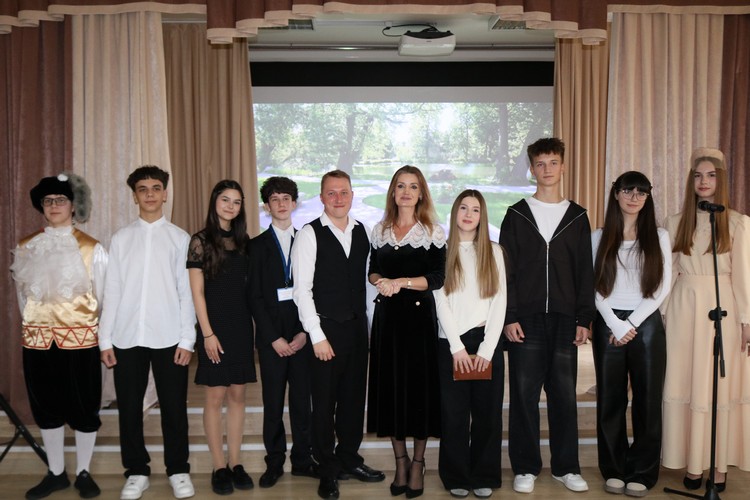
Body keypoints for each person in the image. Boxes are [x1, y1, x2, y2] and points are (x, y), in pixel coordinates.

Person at [499, 137, 595, 494]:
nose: (547, 169)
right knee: (524, 396)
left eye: (553, 162)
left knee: (563, 396)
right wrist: (509, 316)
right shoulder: (516, 214)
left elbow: (585, 271)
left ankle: (566, 467)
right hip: (525, 319)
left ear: (563, 167)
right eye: (540, 163)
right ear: (532, 169)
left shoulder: (577, 216)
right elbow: (505, 271)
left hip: (565, 319)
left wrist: (584, 318)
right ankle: (525, 467)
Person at [99, 165, 196, 500]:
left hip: (170, 337)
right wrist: (104, 339)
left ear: (165, 194)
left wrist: (187, 339)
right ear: (135, 196)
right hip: (126, 337)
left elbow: (186, 292)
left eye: (156, 188)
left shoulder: (180, 238)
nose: (150, 194)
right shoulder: (121, 238)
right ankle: (136, 470)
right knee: (128, 407)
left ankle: (178, 469)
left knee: (174, 407)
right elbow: (112, 291)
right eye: (143, 189)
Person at [11, 173, 107, 500]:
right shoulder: (26, 246)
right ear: (41, 206)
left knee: (83, 406)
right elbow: (22, 297)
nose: (54, 205)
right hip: (37, 342)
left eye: (61, 199)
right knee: (46, 407)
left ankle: (83, 472)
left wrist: (88, 330)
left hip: (80, 342)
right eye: (48, 200)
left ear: (73, 205)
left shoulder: (92, 248)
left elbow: (104, 297)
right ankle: (55, 473)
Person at [292, 170, 385, 499]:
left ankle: (349, 459)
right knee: (324, 405)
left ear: (352, 195)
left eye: (343, 192)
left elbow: (366, 284)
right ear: (321, 198)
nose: (338, 198)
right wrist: (316, 335)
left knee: (352, 401)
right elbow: (301, 290)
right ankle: (327, 469)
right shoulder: (309, 234)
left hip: (357, 330)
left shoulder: (363, 231)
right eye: (331, 193)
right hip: (325, 332)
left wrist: (370, 329)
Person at [662, 148, 750, 492]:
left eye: (711, 175)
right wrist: (662, 313)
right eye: (698, 175)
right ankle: (692, 462)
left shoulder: (738, 223)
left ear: (721, 180)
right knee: (685, 380)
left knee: (716, 384)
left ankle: (718, 466)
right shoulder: (674, 222)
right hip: (684, 308)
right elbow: (668, 274)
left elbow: (743, 277)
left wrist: (746, 320)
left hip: (722, 308)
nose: (703, 181)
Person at [367, 165, 446, 498]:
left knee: (418, 394)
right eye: (401, 185)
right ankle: (400, 462)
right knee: (391, 392)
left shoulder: (433, 232)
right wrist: (381, 281)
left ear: (421, 193)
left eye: (413, 186)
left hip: (419, 323)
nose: (406, 192)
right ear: (393, 191)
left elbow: (438, 278)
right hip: (387, 322)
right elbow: (373, 270)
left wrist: (402, 282)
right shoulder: (380, 230)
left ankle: (417, 463)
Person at [591, 172, 671, 496]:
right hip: (608, 322)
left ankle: (642, 471)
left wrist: (631, 323)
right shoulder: (598, 236)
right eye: (628, 190)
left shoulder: (659, 235)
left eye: (641, 192)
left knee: (647, 400)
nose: (634, 197)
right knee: (610, 399)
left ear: (648, 197)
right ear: (616, 194)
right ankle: (613, 468)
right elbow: (593, 284)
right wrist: (615, 323)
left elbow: (662, 285)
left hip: (646, 323)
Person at [433, 190, 506, 499]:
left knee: (488, 414)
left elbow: (500, 301)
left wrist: (487, 350)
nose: (468, 214)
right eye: (463, 208)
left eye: (475, 210)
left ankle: (484, 474)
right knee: (454, 415)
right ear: (455, 212)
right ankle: (456, 476)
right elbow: (440, 302)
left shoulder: (494, 251)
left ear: (482, 216)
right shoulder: (440, 251)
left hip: (486, 340)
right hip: (452, 343)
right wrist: (457, 348)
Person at [187, 180, 255, 495]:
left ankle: (236, 462)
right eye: (225, 199)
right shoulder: (199, 241)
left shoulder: (245, 242)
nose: (230, 206)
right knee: (214, 398)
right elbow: (197, 293)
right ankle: (218, 466)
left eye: (236, 202)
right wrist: (207, 334)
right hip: (213, 329)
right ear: (215, 201)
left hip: (241, 328)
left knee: (238, 396)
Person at [250, 177, 316, 488]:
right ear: (266, 206)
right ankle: (274, 461)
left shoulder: (307, 239)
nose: (281, 204)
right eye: (274, 199)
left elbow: (314, 290)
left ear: (295, 203)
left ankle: (303, 460)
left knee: (302, 402)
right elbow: (254, 297)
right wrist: (273, 338)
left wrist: (304, 333)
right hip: (271, 341)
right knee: (273, 403)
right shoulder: (256, 246)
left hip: (301, 337)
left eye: (286, 198)